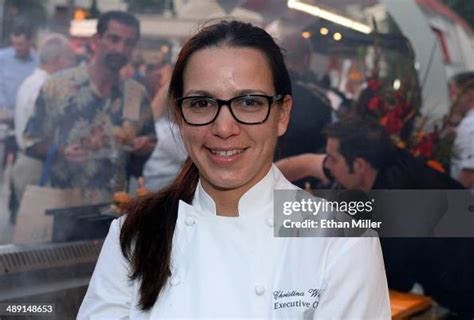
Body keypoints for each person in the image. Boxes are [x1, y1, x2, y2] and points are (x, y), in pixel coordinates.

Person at [78, 21, 390, 318]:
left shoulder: (342, 241)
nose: (224, 128)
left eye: (249, 103)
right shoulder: (134, 232)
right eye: (202, 104)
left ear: (282, 115)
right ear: (180, 115)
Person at [278, 116, 473, 317]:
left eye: (333, 159)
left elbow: (387, 279)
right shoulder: (379, 160)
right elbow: (308, 164)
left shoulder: (400, 204)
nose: (327, 164)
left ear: (359, 165)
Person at [23, 11, 156, 203]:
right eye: (113, 39)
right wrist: (61, 152)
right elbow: (30, 143)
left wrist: (144, 149)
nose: (120, 49)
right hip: (62, 207)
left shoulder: (137, 95)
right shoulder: (58, 87)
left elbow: (143, 159)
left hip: (114, 210)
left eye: (129, 43)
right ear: (96, 40)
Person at [9, 33, 76, 221]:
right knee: (37, 231)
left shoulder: (33, 81)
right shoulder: (45, 85)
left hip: (31, 163)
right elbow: (39, 136)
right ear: (58, 60)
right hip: (37, 167)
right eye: (71, 58)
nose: (74, 64)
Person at [275, 34, 332, 189]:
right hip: (300, 187)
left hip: (255, 182)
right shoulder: (318, 98)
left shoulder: (258, 92)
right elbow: (325, 148)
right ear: (307, 58)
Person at [0, 18, 38, 118]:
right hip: (4, 117)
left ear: (30, 41)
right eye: (14, 44)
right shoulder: (2, 58)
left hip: (28, 117)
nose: (17, 48)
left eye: (20, 44)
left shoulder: (38, 62)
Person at [448, 71, 474, 188]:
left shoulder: (469, 125)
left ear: (469, 94)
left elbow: (469, 173)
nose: (451, 100)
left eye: (453, 93)